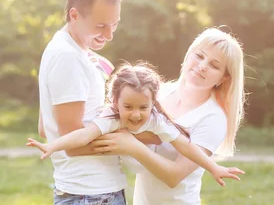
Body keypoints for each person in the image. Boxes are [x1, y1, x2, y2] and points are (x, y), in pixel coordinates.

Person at [88, 28, 246, 205]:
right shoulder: (160, 93)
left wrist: (131, 145)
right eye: (200, 56)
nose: (202, 66)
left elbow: (174, 176)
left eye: (214, 65)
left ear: (223, 78)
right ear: (188, 55)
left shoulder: (212, 118)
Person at [37, 0, 128, 205]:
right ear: (74, 15)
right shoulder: (66, 58)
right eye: (101, 26)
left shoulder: (77, 52)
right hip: (89, 201)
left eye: (114, 25)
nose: (109, 34)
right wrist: (130, 140)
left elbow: (43, 123)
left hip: (97, 198)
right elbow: (70, 143)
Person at [28, 62, 243, 187]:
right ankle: (92, 70)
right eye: (128, 107)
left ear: (153, 104)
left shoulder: (157, 119)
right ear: (115, 103)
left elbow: (185, 146)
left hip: (144, 154)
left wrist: (214, 167)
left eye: (143, 107)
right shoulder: (111, 116)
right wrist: (52, 145)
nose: (136, 114)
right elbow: (84, 135)